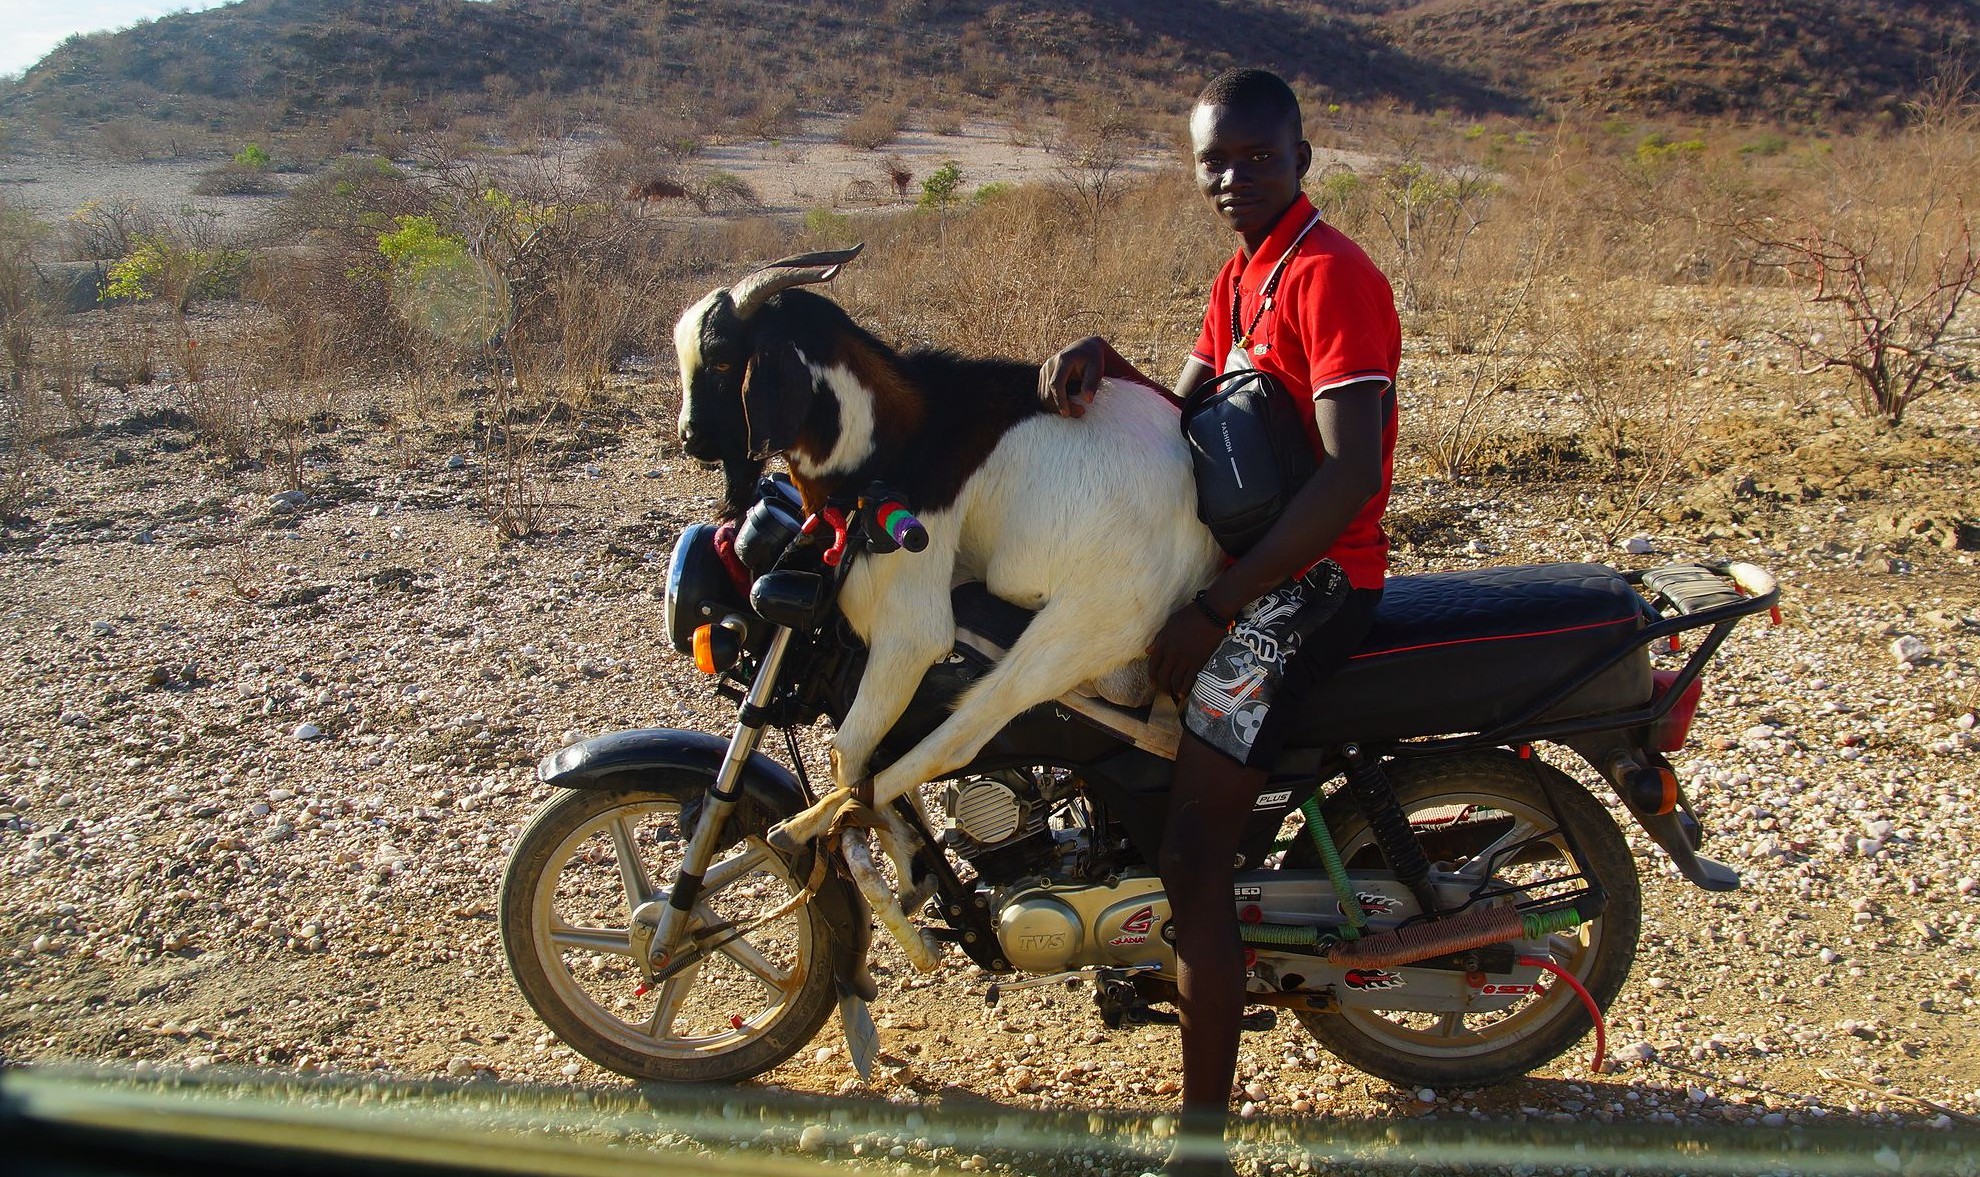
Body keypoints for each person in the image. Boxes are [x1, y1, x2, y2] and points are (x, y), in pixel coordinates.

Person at [1038, 68, 1401, 1175]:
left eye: (1257, 156)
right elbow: (1185, 413)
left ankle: (1204, 1148)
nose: (1234, 177)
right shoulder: (1244, 273)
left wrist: (1215, 608)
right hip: (1252, 567)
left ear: (1302, 157)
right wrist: (1106, 364)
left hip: (1314, 582)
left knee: (1195, 856)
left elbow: (1349, 475)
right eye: (1215, 161)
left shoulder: (1332, 277)